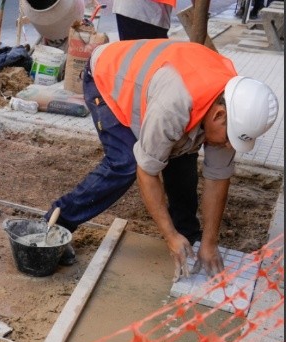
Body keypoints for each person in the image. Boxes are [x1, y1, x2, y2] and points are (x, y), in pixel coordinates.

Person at [44, 39, 278, 281]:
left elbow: (218, 178)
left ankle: (188, 235)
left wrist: (209, 242)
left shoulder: (233, 108)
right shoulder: (173, 107)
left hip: (162, 87)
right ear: (218, 116)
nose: (229, 146)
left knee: (181, 156)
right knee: (125, 163)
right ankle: (58, 224)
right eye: (229, 139)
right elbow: (146, 172)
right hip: (107, 77)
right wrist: (169, 236)